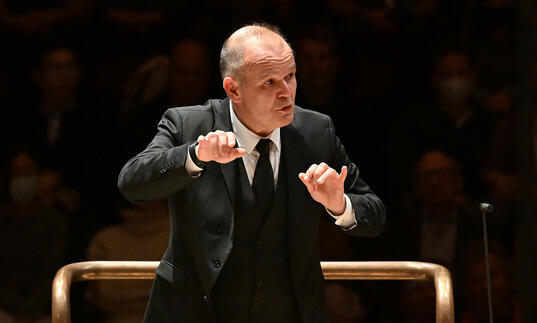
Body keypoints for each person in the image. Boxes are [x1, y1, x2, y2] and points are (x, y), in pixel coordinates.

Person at [118, 23, 386, 323]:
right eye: (270, 82)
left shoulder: (316, 131)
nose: (286, 93)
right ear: (234, 89)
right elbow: (132, 184)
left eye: (290, 76)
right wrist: (195, 155)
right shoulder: (188, 125)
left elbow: (374, 216)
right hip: (195, 312)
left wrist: (340, 205)